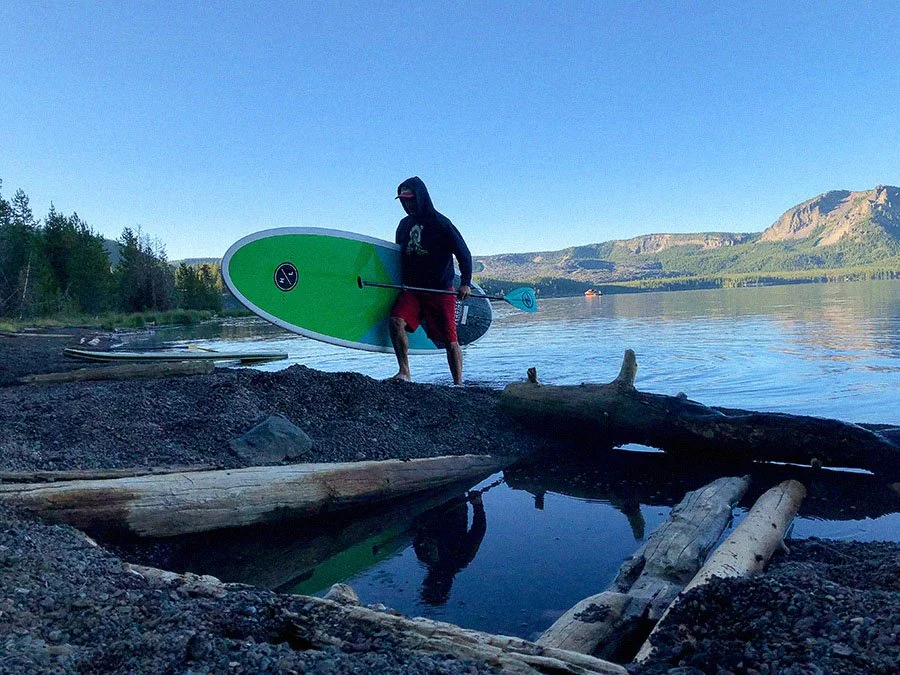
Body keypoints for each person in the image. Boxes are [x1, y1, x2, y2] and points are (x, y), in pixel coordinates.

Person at [389, 176, 472, 385]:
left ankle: (458, 383)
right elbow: (399, 255)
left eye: (411, 199)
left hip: (440, 290)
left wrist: (466, 283)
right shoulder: (404, 225)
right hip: (413, 290)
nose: (408, 204)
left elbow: (463, 253)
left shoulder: (441, 224)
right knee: (396, 321)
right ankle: (404, 372)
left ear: (421, 197)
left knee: (450, 340)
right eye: (404, 201)